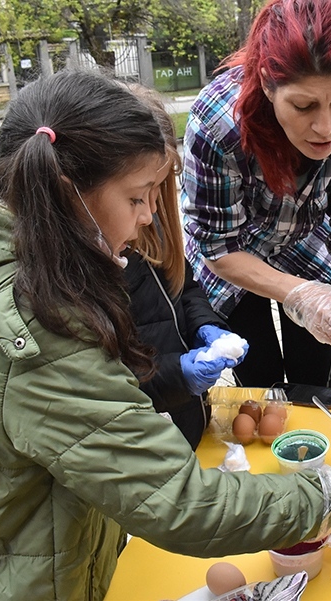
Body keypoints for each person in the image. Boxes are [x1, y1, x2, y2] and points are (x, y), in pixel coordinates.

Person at [0, 69, 331, 600]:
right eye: (137, 199)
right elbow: (183, 504)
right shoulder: (40, 335)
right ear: (68, 195)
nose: (148, 218)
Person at [181, 0, 331, 388]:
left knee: (314, 374)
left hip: (304, 240)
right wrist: (300, 295)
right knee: (258, 373)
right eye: (303, 106)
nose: (326, 127)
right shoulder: (219, 124)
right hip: (235, 254)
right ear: (268, 83)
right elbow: (218, 246)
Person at [123, 84, 245, 450]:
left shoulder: (150, 221)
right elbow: (102, 386)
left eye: (159, 190)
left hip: (186, 420)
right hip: (144, 441)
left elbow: (184, 286)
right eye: (136, 196)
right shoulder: (83, 270)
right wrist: (176, 375)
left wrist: (207, 326)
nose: (151, 212)